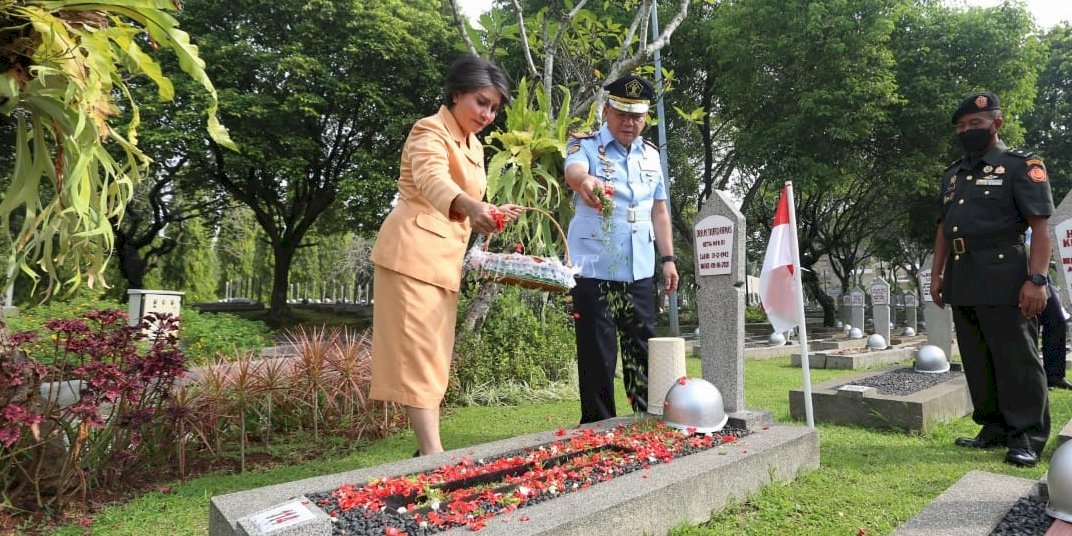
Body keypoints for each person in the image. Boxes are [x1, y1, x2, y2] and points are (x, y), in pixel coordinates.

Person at [368, 55, 521, 456]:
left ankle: (426, 455)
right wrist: (472, 207)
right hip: (411, 256)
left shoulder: (473, 145)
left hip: (444, 264)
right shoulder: (429, 130)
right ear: (457, 94)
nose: (487, 115)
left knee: (435, 361)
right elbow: (432, 179)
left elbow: (471, 202)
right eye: (481, 103)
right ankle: (435, 458)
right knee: (420, 357)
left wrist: (492, 212)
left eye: (493, 108)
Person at [929, 91, 1052, 468]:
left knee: (1016, 358)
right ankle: (994, 427)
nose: (967, 131)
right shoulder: (954, 173)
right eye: (961, 127)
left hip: (1006, 274)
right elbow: (944, 227)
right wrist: (937, 272)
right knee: (977, 358)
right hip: (963, 275)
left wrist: (1037, 279)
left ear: (996, 124)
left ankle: (1027, 435)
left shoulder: (1021, 165)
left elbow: (1040, 225)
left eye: (975, 124)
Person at [563, 75, 680, 424]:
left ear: (645, 118)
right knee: (598, 349)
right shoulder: (583, 145)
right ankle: (598, 424)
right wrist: (586, 182)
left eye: (637, 116)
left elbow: (659, 210)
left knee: (641, 344)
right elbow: (574, 172)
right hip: (593, 263)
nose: (629, 122)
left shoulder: (652, 155)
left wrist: (669, 259)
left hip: (638, 265)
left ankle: (647, 416)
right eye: (621, 113)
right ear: (606, 112)